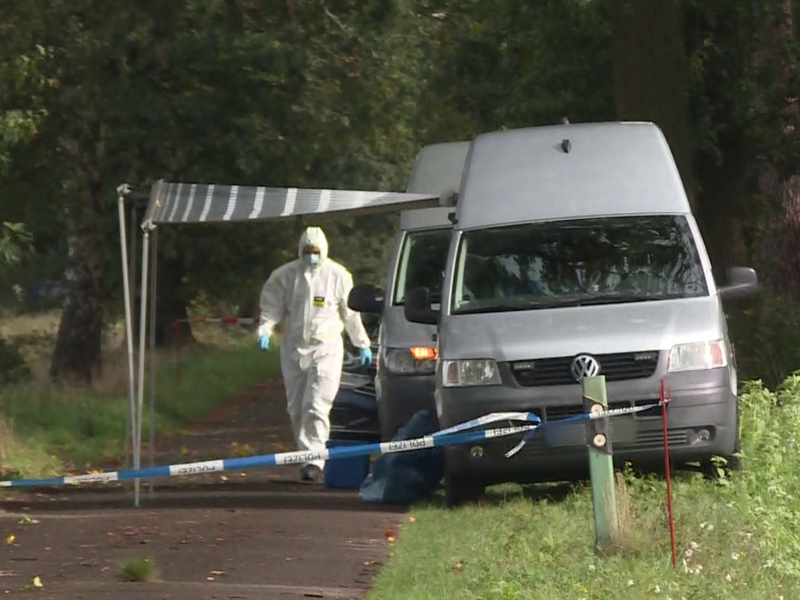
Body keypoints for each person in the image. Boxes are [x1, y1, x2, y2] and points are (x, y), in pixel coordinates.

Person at [256, 226, 373, 482]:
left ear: (324, 251)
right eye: (307, 251)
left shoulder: (338, 276)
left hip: (326, 347)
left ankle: (315, 460)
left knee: (316, 405)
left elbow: (351, 314)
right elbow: (272, 307)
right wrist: (265, 330)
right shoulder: (285, 276)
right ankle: (305, 456)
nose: (311, 256)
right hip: (294, 348)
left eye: (316, 252)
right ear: (300, 251)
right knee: (296, 408)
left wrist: (361, 343)